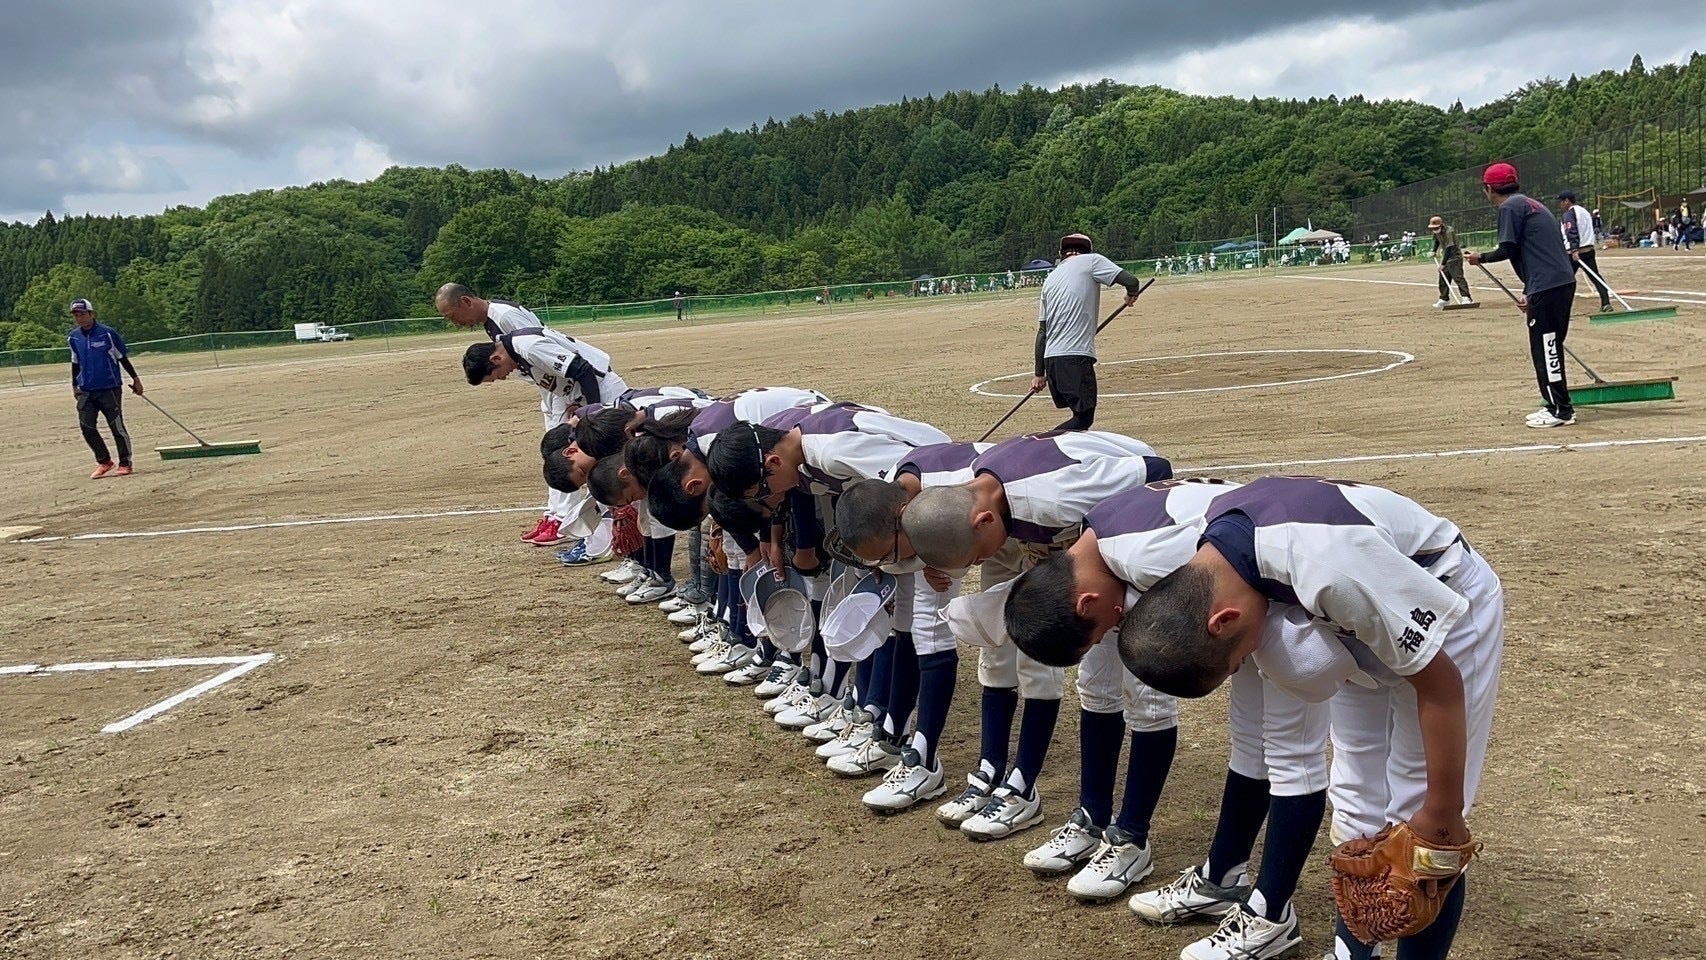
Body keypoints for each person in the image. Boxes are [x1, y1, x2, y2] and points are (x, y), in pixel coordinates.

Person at [1120, 476, 1504, 960]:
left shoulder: (1329, 567)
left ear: (1223, 620)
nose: (1246, 664)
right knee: (1354, 800)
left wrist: (1443, 813)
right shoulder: (1213, 556)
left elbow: (1440, 686)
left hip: (1445, 605)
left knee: (1421, 823)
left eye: (1236, 661)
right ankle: (1352, 954)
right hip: (1350, 616)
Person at [900, 430, 1173, 848]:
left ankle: (1131, 837)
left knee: (1143, 692)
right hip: (1080, 570)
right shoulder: (979, 487)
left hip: (1125, 568)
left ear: (984, 521)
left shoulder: (1053, 496)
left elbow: (1155, 470)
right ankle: (1092, 817)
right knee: (1095, 686)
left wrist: (1098, 544)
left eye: (978, 556)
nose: (983, 561)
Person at [437, 282, 586, 548]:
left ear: (466, 302)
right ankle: (555, 514)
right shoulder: (493, 319)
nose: (454, 323)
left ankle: (564, 520)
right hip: (551, 390)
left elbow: (544, 350)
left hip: (563, 390)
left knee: (562, 453)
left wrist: (571, 398)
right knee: (553, 452)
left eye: (451, 316)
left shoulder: (505, 317)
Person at [1466, 162, 1578, 428]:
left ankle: (1561, 410)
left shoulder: (1509, 208)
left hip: (1548, 287)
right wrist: (1529, 290)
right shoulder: (1531, 204)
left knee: (1546, 348)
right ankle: (1554, 404)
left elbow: (1508, 249)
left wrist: (1480, 257)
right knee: (1550, 346)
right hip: (1557, 282)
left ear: (1489, 189)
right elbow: (1536, 252)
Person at [1030, 233, 1143, 431]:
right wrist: (1131, 294)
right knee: (1083, 418)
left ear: (1061, 254)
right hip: (1075, 356)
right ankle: (1042, 444)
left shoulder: (1050, 279)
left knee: (1079, 416)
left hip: (1052, 360)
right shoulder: (1092, 261)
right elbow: (1131, 281)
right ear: (1088, 251)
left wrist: (1039, 374)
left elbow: (1042, 332)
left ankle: (1051, 445)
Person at [66, 298, 143, 479]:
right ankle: (104, 461)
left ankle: (125, 463)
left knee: (116, 426)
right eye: (76, 315)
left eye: (82, 314)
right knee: (86, 427)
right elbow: (75, 363)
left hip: (109, 388)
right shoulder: (73, 337)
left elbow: (122, 358)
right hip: (86, 390)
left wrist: (136, 379)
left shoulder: (107, 333)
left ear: (91, 314)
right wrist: (74, 385)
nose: (79, 318)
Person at [1557, 192, 1611, 313]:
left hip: (1575, 252)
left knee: (1565, 280)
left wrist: (1574, 249)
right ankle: (1606, 302)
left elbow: (1571, 231)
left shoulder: (1569, 213)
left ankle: (1561, 308)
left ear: (1567, 201)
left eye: (1561, 201)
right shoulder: (1584, 211)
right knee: (1595, 276)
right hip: (1588, 250)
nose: (1560, 204)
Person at [1427, 216, 1472, 307]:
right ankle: (1444, 299)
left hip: (1455, 257)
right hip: (1446, 258)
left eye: (1436, 228)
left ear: (1441, 225)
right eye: (1432, 228)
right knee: (1443, 278)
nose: (1434, 230)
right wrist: (1433, 251)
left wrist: (1443, 264)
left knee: (1458, 277)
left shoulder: (1449, 231)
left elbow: (1449, 248)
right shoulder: (1436, 232)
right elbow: (1436, 241)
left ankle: (1466, 297)